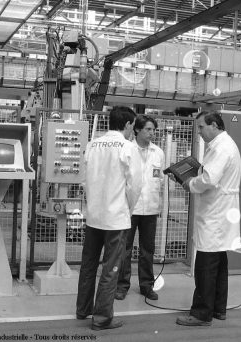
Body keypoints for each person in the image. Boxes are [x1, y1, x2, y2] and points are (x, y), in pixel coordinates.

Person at [76, 106, 142, 331]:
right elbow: (135, 186)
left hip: (94, 215)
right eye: (133, 126)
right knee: (111, 267)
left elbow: (83, 181)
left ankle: (83, 309)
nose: (133, 130)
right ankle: (103, 317)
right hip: (115, 218)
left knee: (88, 264)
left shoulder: (92, 144)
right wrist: (128, 209)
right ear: (127, 124)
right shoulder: (128, 147)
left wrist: (93, 203)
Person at [176, 111, 241, 326]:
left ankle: (201, 314)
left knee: (205, 265)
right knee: (219, 264)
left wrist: (189, 183)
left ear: (214, 125)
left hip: (215, 213)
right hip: (221, 211)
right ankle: (218, 309)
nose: (200, 131)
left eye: (202, 127)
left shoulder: (221, 147)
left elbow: (209, 179)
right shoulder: (225, 144)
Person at [115, 115, 164, 301]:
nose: (152, 133)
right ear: (137, 130)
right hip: (130, 208)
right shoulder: (127, 150)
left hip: (150, 209)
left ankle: (146, 285)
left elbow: (159, 179)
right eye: (148, 129)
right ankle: (122, 285)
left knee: (147, 250)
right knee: (125, 249)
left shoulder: (158, 152)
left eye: (153, 130)